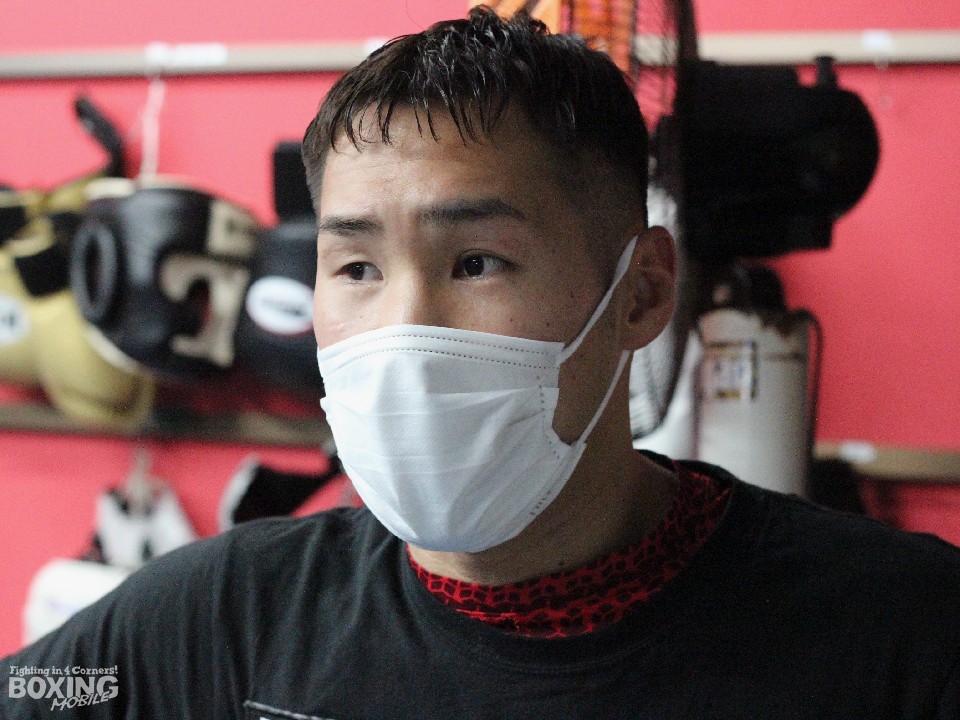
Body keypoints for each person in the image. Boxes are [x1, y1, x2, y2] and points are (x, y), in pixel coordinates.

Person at [3, 8, 959, 719]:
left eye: (476, 263)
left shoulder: (902, 638)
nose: (403, 330)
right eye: (357, 269)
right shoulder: (219, 620)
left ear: (642, 292)